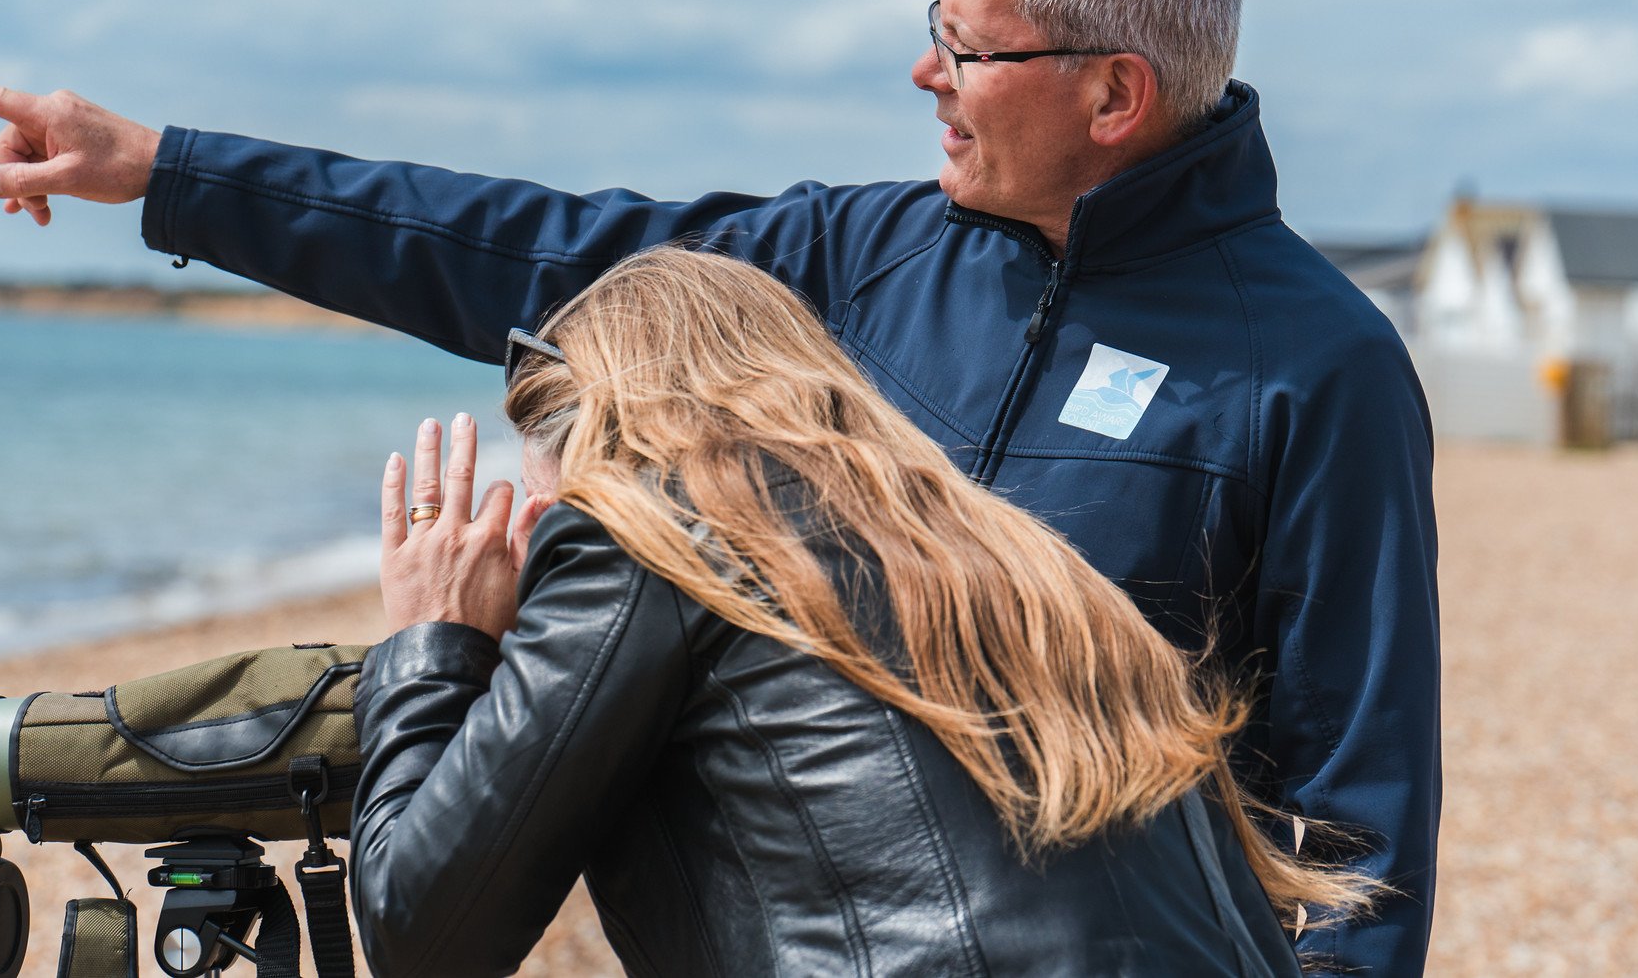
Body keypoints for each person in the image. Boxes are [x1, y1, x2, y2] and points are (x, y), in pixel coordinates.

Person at [0, 0, 1439, 972]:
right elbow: (545, 256)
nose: (925, 72)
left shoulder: (1312, 368)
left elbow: (1356, 822)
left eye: (969, 49)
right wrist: (172, 175)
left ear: (1113, 95)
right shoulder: (855, 258)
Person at [353, 246, 1371, 976]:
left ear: (605, 434)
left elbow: (421, 934)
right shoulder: (1024, 565)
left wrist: (432, 637)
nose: (538, 521)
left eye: (548, 487)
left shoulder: (647, 526)